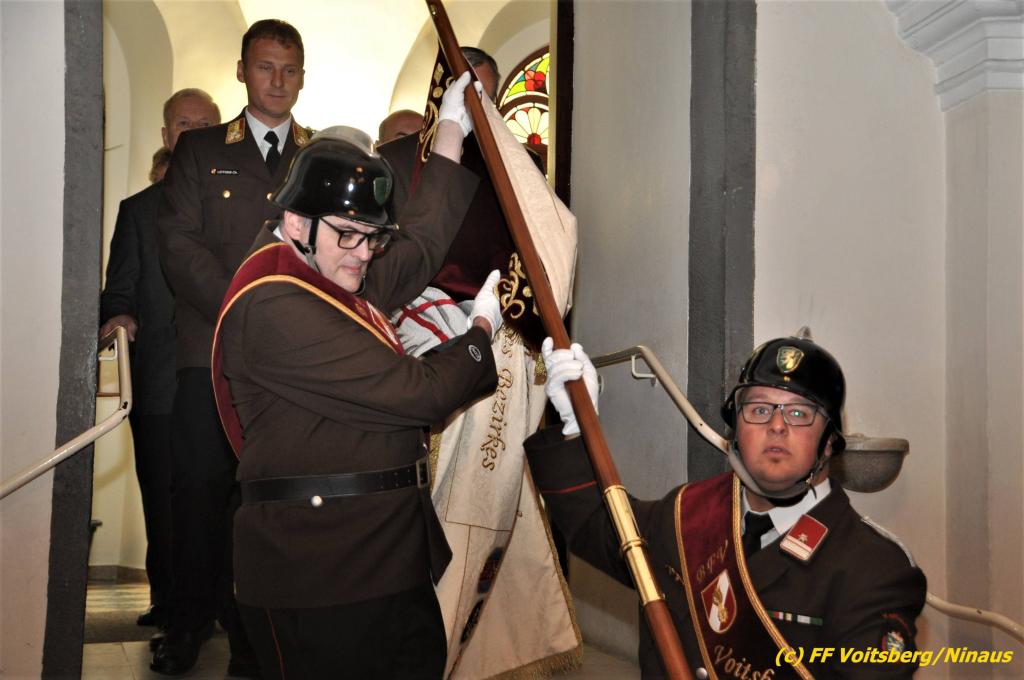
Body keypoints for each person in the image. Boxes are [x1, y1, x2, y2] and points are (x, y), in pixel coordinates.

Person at [211, 77, 499, 679]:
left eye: (372, 238)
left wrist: (450, 130)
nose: (364, 254)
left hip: (387, 555)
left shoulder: (328, 270)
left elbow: (418, 247)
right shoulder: (274, 302)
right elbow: (419, 392)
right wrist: (479, 335)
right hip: (321, 572)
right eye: (349, 235)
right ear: (296, 224)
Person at [528, 335, 927, 678]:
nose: (776, 425)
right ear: (736, 430)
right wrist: (575, 427)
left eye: (799, 413)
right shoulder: (685, 514)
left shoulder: (875, 568)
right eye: (759, 409)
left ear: (829, 443)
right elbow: (593, 525)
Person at [154, 19, 308, 677]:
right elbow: (178, 245)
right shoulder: (201, 150)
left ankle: (257, 637)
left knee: (271, 502)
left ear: (302, 77)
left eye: (289, 69)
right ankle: (186, 624)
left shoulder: (320, 154)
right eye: (266, 67)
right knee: (200, 493)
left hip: (290, 363)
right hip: (211, 350)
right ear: (242, 71)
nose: (278, 80)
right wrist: (242, 307)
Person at [99, 88, 220, 638]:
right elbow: (119, 290)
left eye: (205, 125)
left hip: (227, 380)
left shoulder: (239, 203)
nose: (193, 134)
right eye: (184, 124)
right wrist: (120, 318)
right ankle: (172, 607)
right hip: (161, 381)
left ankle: (223, 607)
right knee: (165, 501)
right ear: (167, 135)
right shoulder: (138, 211)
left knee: (225, 502)